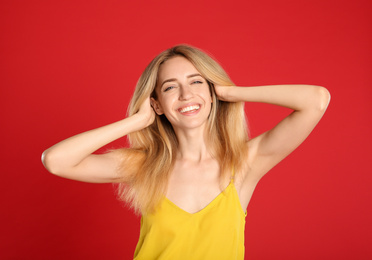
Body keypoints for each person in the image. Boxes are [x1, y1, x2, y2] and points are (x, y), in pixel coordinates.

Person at [42, 44, 330, 259]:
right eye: (170, 87)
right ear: (157, 104)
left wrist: (231, 93)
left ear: (211, 90)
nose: (185, 95)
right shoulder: (143, 165)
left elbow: (316, 100)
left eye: (196, 81)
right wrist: (137, 121)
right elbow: (56, 161)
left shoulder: (244, 163)